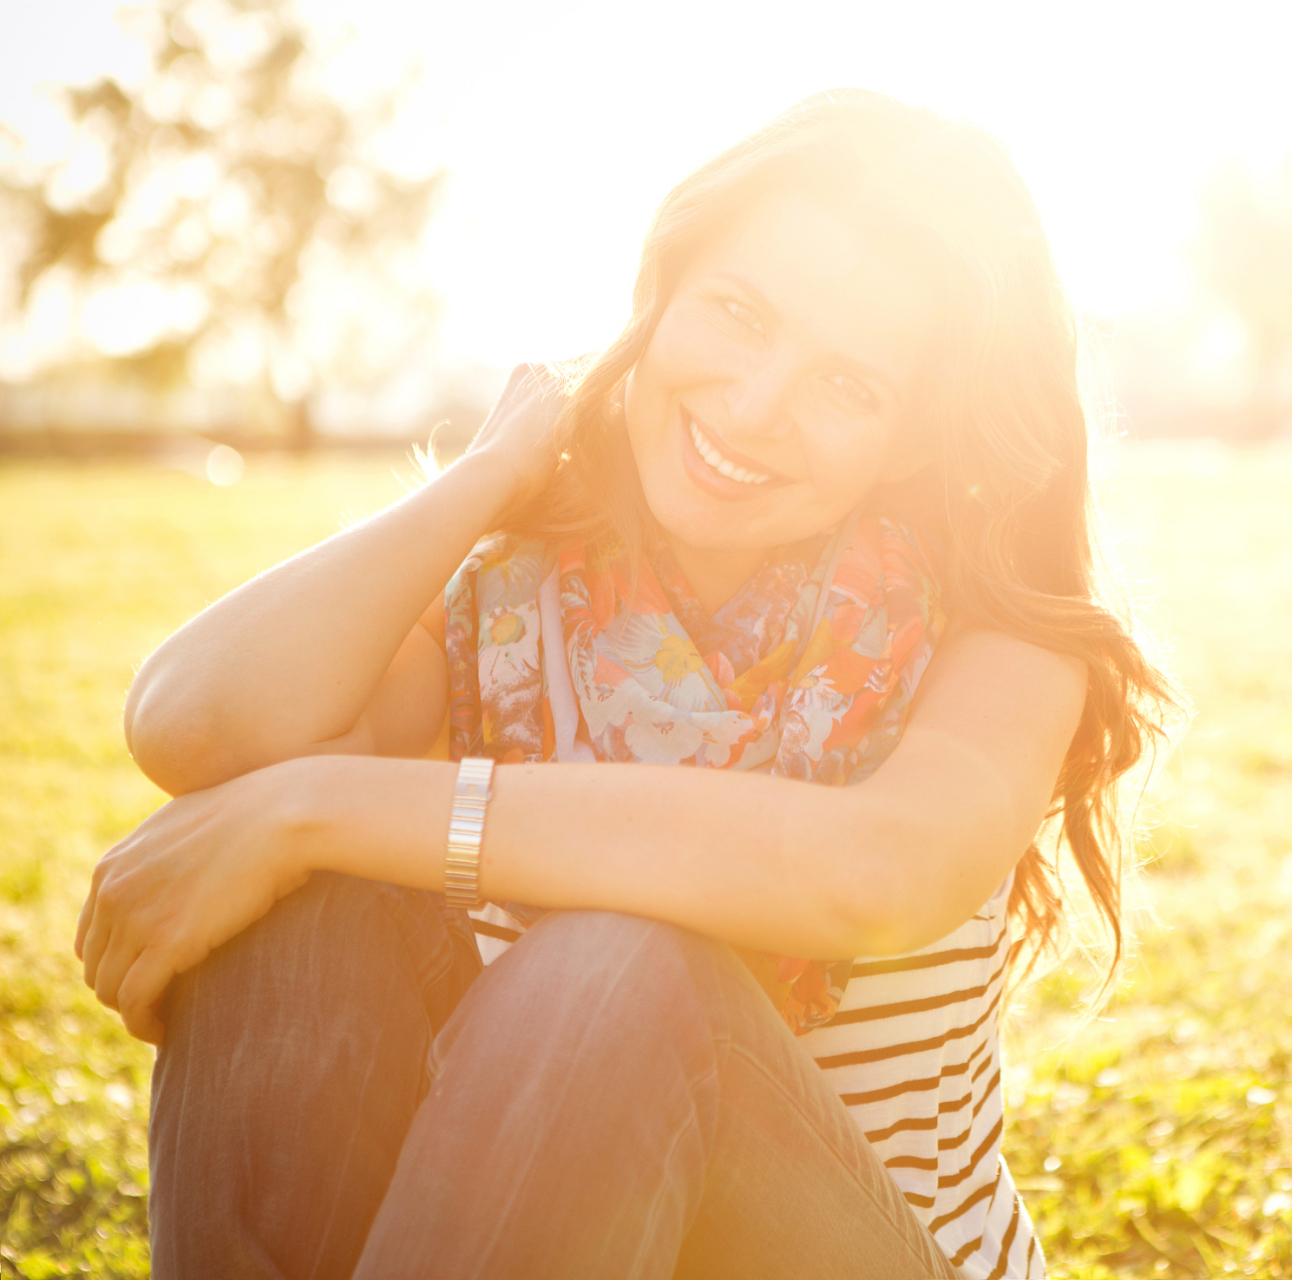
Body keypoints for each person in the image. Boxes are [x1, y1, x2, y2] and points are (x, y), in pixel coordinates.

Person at [74, 89, 1171, 1279]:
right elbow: (194, 723)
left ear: (910, 437)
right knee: (299, 916)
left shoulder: (1003, 638)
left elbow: (875, 873)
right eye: (738, 314)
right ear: (658, 295)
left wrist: (306, 810)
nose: (756, 408)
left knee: (619, 969)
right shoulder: (506, 602)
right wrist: (488, 475)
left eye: (847, 385)